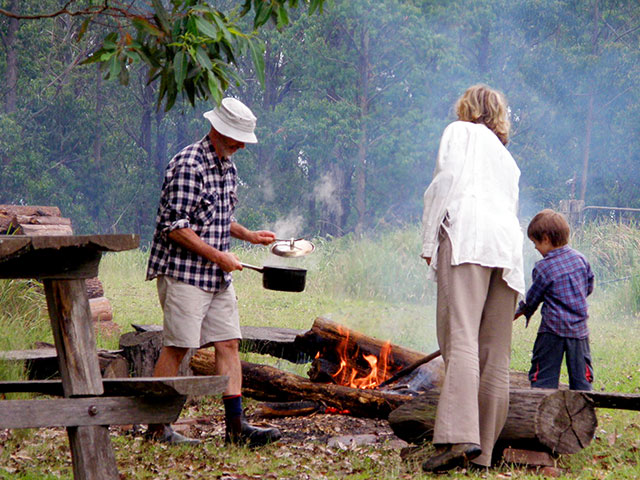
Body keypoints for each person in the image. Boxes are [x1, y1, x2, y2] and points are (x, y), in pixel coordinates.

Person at [145, 97, 282, 447]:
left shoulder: (229, 167)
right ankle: (157, 427)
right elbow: (174, 226)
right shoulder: (189, 164)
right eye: (234, 138)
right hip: (185, 273)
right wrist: (218, 255)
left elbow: (217, 218)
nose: (238, 146)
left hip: (217, 277)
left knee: (229, 343)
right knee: (178, 347)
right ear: (217, 129)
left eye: (241, 141)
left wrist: (248, 235)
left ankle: (236, 429)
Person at [420, 84, 525, 472]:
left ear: (467, 108)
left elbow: (443, 184)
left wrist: (429, 239)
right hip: (507, 247)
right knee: (495, 351)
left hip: (466, 235)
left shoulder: (458, 131)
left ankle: (459, 438)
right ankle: (484, 455)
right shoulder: (506, 158)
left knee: (461, 336)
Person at [515, 209, 595, 391]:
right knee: (582, 377)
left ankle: (538, 407)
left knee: (543, 375)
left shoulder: (543, 267)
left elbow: (533, 298)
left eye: (535, 243)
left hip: (552, 331)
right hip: (579, 331)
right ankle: (583, 407)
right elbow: (589, 285)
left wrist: (521, 311)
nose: (535, 247)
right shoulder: (581, 259)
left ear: (545, 239)